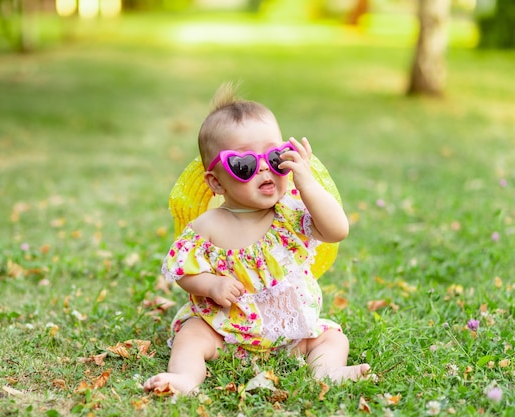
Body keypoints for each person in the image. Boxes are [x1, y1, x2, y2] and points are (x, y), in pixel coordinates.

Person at [144, 83, 370, 395]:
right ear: (216, 182)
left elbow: (337, 230)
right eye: (244, 165)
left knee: (332, 337)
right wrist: (211, 285)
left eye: (275, 157)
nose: (264, 167)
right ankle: (185, 377)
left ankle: (327, 370)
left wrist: (306, 183)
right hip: (224, 330)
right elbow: (185, 271)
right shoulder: (207, 226)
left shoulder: (291, 214)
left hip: (290, 331)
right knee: (191, 336)